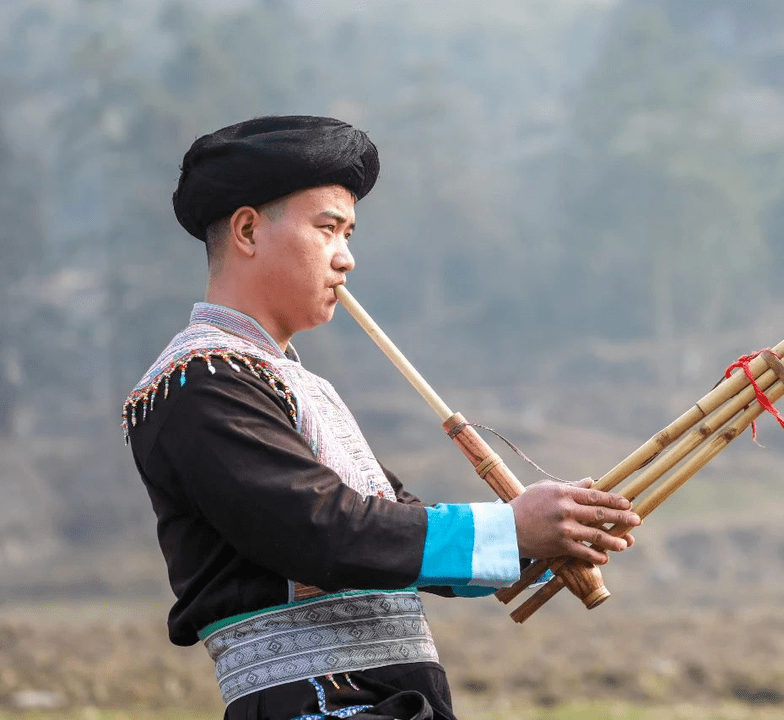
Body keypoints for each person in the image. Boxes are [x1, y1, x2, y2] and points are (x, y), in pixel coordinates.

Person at [123, 115, 640, 720]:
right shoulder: (198, 380)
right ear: (246, 230)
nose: (346, 259)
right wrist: (509, 529)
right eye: (328, 229)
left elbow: (388, 523)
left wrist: (543, 533)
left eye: (349, 233)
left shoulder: (293, 381)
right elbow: (325, 529)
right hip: (316, 704)